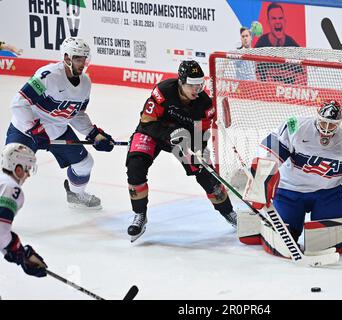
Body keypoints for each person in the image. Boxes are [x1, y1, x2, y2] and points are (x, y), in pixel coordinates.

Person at [247, 100, 342, 241]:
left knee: (329, 239)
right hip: (290, 191)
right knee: (285, 235)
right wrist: (261, 179)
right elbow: (270, 152)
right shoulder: (296, 127)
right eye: (324, 122)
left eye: (331, 125)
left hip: (327, 194)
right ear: (317, 115)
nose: (326, 128)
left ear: (339, 123)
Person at [125, 60, 237, 241]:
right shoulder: (163, 91)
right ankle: (140, 215)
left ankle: (229, 213)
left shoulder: (204, 104)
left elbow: (202, 133)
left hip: (184, 140)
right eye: (192, 85)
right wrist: (169, 134)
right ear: (181, 81)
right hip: (153, 132)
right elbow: (147, 120)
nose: (196, 89)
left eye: (200, 84)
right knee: (135, 165)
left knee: (207, 175)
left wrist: (198, 149)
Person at [5, 37, 115, 210]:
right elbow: (18, 103)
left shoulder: (85, 83)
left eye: (84, 58)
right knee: (12, 169)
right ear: (66, 58)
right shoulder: (48, 75)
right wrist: (34, 130)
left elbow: (77, 113)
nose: (82, 63)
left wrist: (94, 134)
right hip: (25, 129)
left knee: (85, 163)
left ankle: (76, 195)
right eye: (78, 58)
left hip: (57, 129)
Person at [0, 143, 47, 278]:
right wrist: (20, 252)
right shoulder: (11, 188)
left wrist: (19, 253)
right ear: (18, 169)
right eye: (28, 169)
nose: (28, 175)